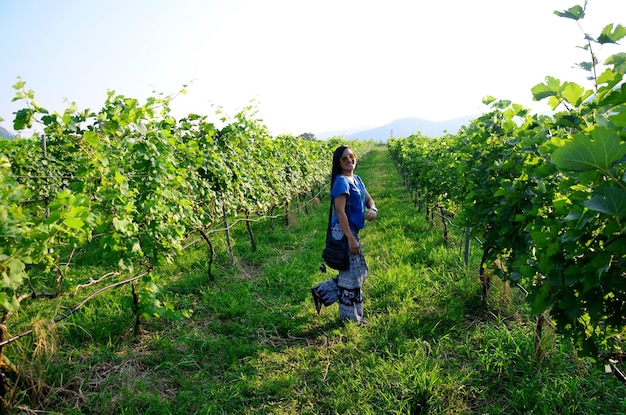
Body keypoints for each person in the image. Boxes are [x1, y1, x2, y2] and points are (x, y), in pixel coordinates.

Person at [311, 145, 377, 324]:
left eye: (351, 156)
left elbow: (368, 198)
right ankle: (351, 319)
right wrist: (349, 238)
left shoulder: (356, 179)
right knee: (353, 275)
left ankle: (322, 291)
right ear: (338, 163)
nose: (350, 160)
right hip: (343, 231)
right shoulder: (341, 181)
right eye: (344, 158)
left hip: (351, 230)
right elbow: (340, 212)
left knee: (359, 271)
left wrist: (373, 209)